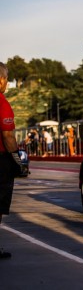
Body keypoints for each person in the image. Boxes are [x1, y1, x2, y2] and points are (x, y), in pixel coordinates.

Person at [0, 62, 23, 259]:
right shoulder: (2, 103)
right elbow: (8, 137)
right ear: (1, 80)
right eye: (7, 79)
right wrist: (17, 160)